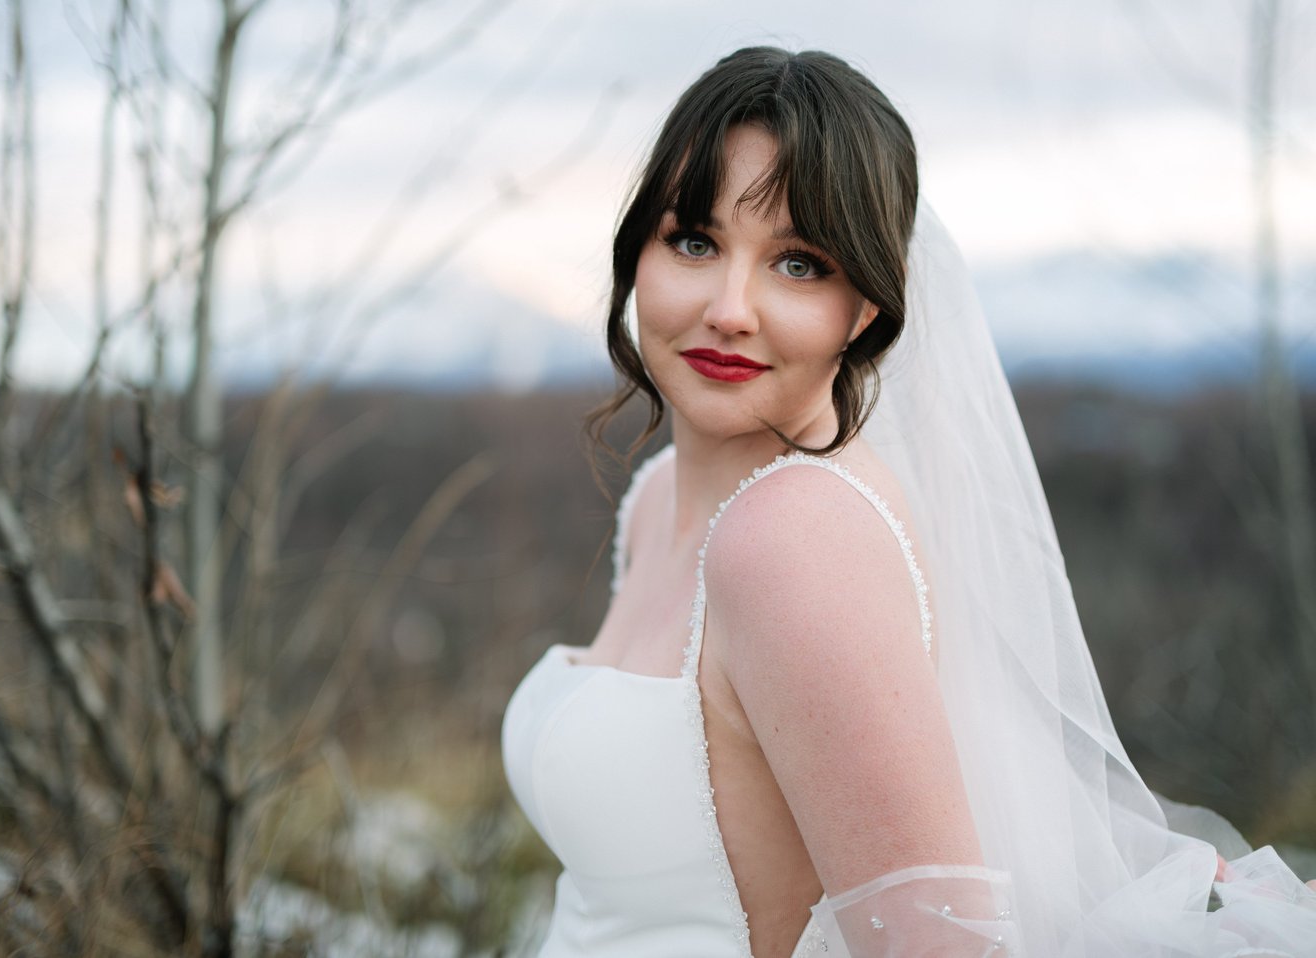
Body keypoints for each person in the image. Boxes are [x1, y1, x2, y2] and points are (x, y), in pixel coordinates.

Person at [501, 46, 1316, 957]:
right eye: (694, 241)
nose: (731, 307)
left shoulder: (792, 538)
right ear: (637, 254)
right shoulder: (658, 502)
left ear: (867, 312)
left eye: (800, 263)